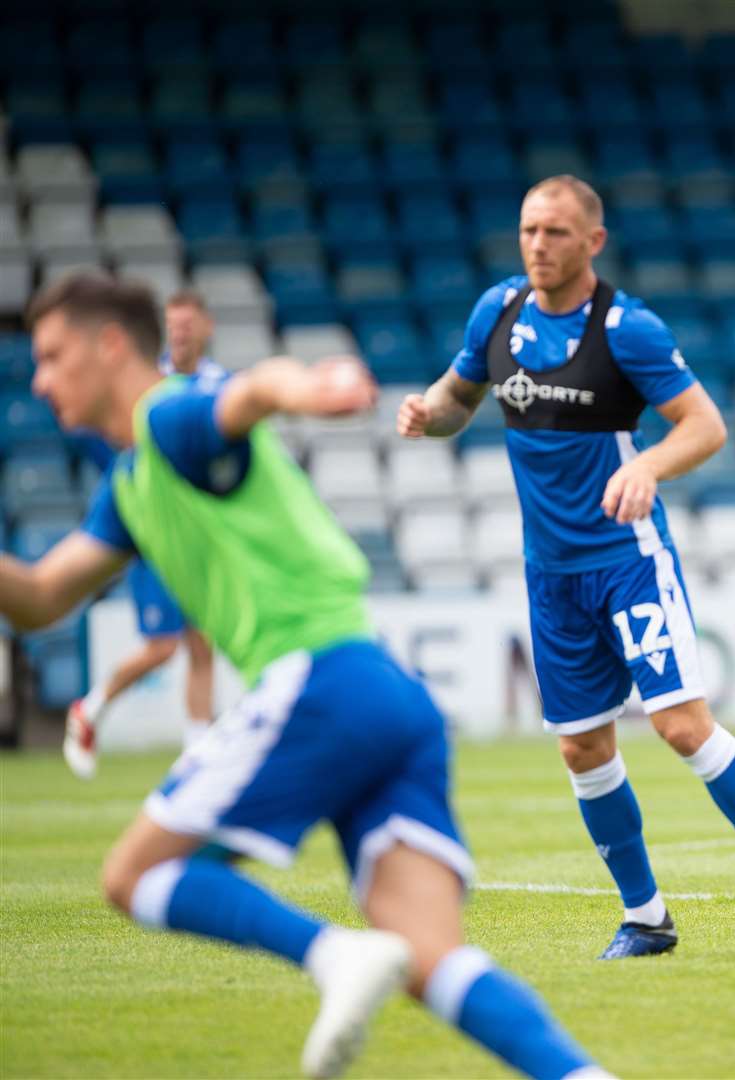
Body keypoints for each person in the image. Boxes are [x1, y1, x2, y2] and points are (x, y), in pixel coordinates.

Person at [7, 273, 603, 1080]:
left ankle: (330, 954)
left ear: (110, 345)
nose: (38, 379)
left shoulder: (170, 417)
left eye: (50, 354)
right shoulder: (127, 484)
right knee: (435, 962)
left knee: (133, 873)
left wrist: (313, 388)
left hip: (317, 680)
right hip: (386, 697)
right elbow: (43, 597)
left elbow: (252, 390)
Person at [396, 174, 735, 959]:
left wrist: (649, 468)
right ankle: (646, 916)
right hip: (551, 575)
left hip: (628, 561)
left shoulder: (627, 329)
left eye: (555, 232)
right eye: (528, 230)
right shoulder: (499, 313)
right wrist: (429, 412)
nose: (537, 245)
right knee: (581, 748)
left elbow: (703, 426)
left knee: (680, 726)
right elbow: (460, 399)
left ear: (592, 242)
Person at [65, 290, 226, 778]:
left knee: (202, 644)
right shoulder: (148, 386)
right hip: (156, 533)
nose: (179, 334)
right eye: (172, 326)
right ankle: (90, 708)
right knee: (163, 647)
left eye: (187, 326)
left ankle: (197, 752)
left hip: (197, 536)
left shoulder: (217, 385)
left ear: (206, 329)